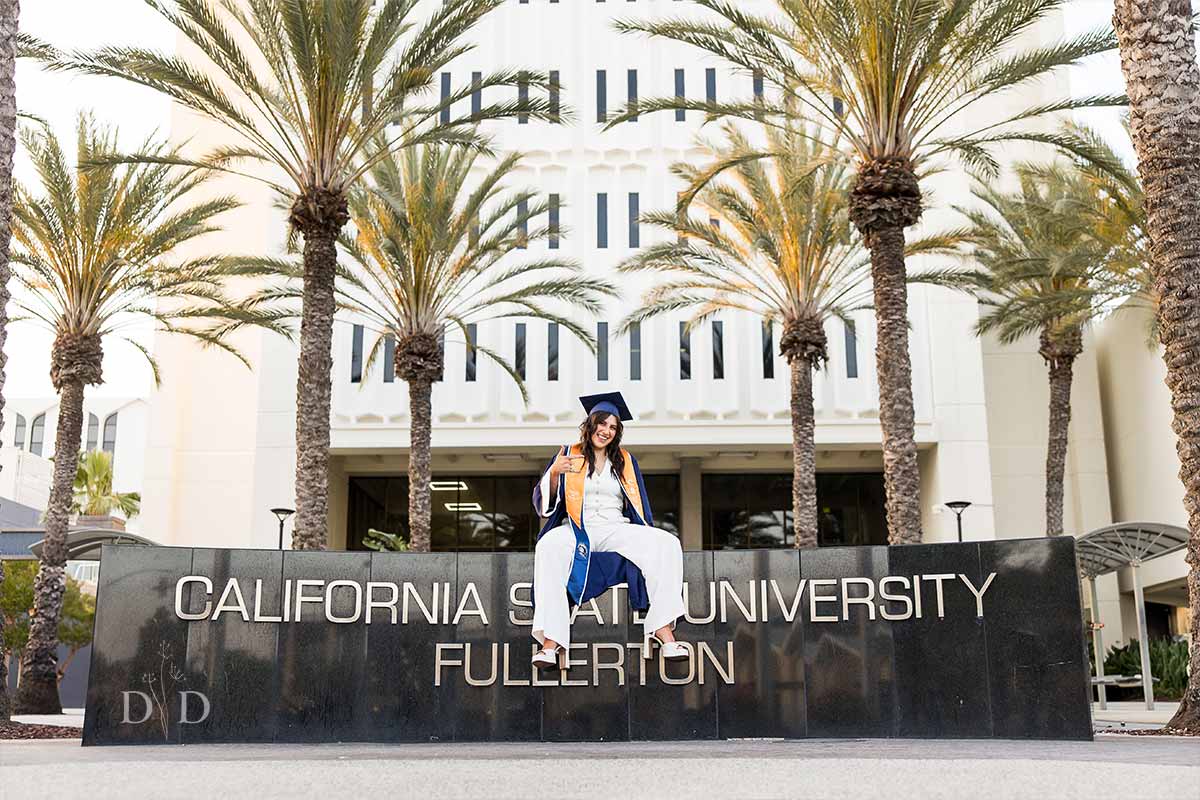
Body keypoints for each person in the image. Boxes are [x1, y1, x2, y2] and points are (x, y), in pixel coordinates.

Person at [530, 392, 687, 671]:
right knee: (547, 547)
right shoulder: (568, 455)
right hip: (578, 528)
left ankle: (663, 630)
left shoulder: (625, 461)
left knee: (668, 543)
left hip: (615, 528)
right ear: (590, 424)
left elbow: (639, 505)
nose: (606, 431)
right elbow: (546, 505)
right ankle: (551, 643)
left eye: (613, 427)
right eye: (602, 424)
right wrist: (553, 473)